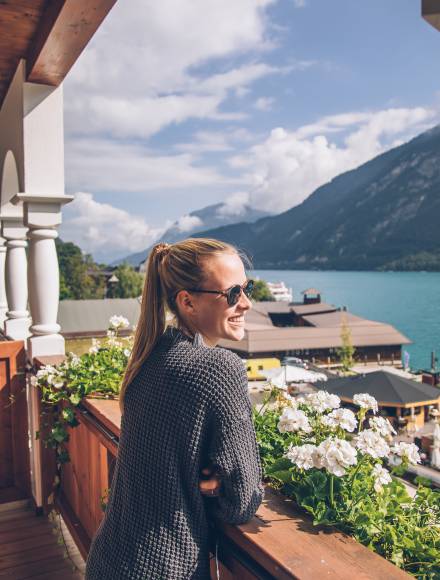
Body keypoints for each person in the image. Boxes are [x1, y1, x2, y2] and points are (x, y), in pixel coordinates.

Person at [85, 238, 263, 580]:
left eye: (246, 287)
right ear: (187, 302)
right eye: (233, 294)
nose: (248, 303)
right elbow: (242, 500)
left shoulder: (148, 357)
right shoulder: (219, 369)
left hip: (109, 560)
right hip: (166, 570)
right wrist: (219, 486)